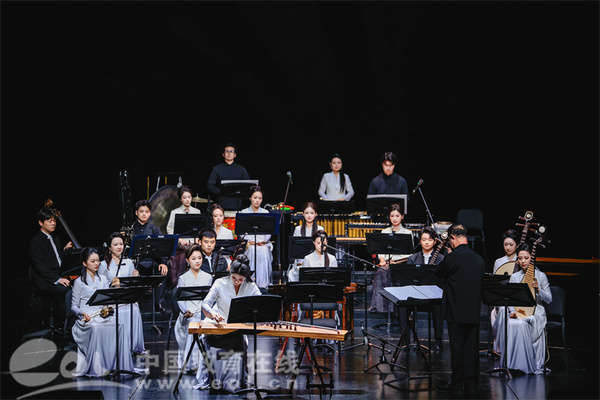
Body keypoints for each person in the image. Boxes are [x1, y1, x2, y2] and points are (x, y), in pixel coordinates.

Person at [71, 247, 140, 377]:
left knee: (120, 325)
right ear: (85, 263)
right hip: (86, 319)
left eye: (98, 260)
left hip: (100, 315)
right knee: (96, 328)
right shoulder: (79, 282)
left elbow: (106, 301)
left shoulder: (102, 279)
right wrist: (81, 314)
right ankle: (98, 367)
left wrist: (109, 307)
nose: (96, 264)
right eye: (92, 261)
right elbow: (74, 306)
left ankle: (119, 365)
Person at [197, 255, 262, 391]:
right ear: (230, 273)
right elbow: (205, 303)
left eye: (241, 280)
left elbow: (261, 303)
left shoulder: (251, 286)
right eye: (234, 278)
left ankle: (238, 379)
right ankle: (214, 378)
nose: (237, 282)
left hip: (238, 325)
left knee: (240, 341)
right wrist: (212, 313)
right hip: (219, 322)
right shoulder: (220, 283)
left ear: (246, 277)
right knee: (209, 339)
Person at [435, 224, 485, 394]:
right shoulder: (478, 259)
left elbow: (439, 273)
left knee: (457, 349)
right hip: (473, 311)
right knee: (472, 348)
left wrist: (449, 255)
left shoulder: (452, 258)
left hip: (455, 310)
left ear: (453, 237)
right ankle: (471, 383)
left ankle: (456, 383)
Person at [494, 243, 552, 375]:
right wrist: (513, 312)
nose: (523, 261)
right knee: (510, 322)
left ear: (532, 258)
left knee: (520, 324)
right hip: (519, 313)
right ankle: (511, 364)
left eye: (526, 258)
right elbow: (511, 299)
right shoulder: (515, 277)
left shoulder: (540, 276)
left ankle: (524, 366)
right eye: (520, 258)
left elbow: (549, 299)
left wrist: (539, 290)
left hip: (536, 315)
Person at [98, 232, 145, 354]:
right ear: (109, 247)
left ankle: (132, 346)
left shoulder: (128, 262)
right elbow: (100, 286)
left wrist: (136, 277)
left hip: (126, 297)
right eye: (115, 245)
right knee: (120, 311)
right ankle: (120, 346)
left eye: (121, 244)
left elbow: (133, 284)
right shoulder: (103, 265)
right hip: (112, 298)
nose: (119, 247)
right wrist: (112, 284)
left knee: (134, 309)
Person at [28, 208, 73, 325]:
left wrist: (64, 250)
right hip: (45, 280)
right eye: (49, 221)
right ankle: (68, 325)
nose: (53, 223)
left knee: (78, 287)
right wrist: (57, 279)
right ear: (41, 223)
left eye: (54, 221)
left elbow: (55, 259)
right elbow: (40, 267)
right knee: (68, 292)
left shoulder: (55, 238)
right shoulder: (35, 241)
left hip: (57, 276)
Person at [369, 203, 414, 313]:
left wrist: (396, 262)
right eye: (392, 216)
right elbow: (380, 251)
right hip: (387, 263)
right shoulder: (385, 232)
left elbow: (409, 254)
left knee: (387, 272)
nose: (394, 219)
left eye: (397, 216)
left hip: (401, 264)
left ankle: (393, 307)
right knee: (381, 271)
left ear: (402, 216)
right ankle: (379, 306)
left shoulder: (408, 233)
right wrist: (382, 260)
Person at [175, 245, 213, 374]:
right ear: (187, 260)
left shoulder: (208, 277)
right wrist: (185, 311)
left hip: (202, 313)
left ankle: (203, 363)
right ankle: (190, 364)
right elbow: (180, 300)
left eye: (199, 258)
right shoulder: (183, 278)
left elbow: (209, 300)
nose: (197, 261)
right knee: (193, 322)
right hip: (188, 314)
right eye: (193, 258)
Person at [406, 226, 445, 350]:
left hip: (433, 295)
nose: (426, 242)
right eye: (423, 240)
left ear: (434, 241)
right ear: (420, 241)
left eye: (429, 239)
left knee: (438, 305)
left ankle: (438, 339)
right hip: (417, 294)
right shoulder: (413, 258)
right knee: (402, 304)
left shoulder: (442, 259)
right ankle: (406, 340)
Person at [132, 199, 169, 312]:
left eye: (146, 212)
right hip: (137, 263)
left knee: (162, 270)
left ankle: (158, 303)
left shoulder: (154, 229)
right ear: (136, 213)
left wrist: (163, 263)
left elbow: (162, 248)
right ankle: (137, 303)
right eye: (141, 211)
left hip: (152, 261)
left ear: (150, 213)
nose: (144, 214)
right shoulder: (132, 229)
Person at [240, 185, 273, 289]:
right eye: (255, 198)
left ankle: (263, 283)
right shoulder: (244, 212)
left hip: (262, 243)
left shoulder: (265, 213)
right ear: (250, 198)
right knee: (251, 250)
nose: (257, 200)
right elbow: (241, 232)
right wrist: (250, 241)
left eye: (260, 198)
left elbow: (268, 232)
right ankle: (250, 283)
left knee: (263, 250)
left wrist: (263, 241)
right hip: (250, 244)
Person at [206, 143, 250, 210]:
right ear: (223, 154)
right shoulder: (216, 169)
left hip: (237, 204)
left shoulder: (241, 169)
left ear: (235, 155)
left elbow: (248, 185)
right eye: (226, 151)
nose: (229, 153)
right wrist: (220, 192)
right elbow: (210, 184)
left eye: (231, 151)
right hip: (221, 203)